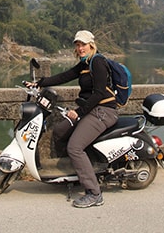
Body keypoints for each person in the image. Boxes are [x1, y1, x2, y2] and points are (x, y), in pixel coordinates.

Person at [26, 30, 118, 208]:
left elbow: (99, 93)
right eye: (77, 44)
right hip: (90, 109)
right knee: (60, 131)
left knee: (75, 147)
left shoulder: (97, 62)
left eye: (83, 44)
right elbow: (64, 76)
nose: (80, 48)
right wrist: (39, 83)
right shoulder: (85, 63)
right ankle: (78, 171)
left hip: (103, 111)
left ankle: (94, 193)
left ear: (91, 44)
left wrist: (79, 112)